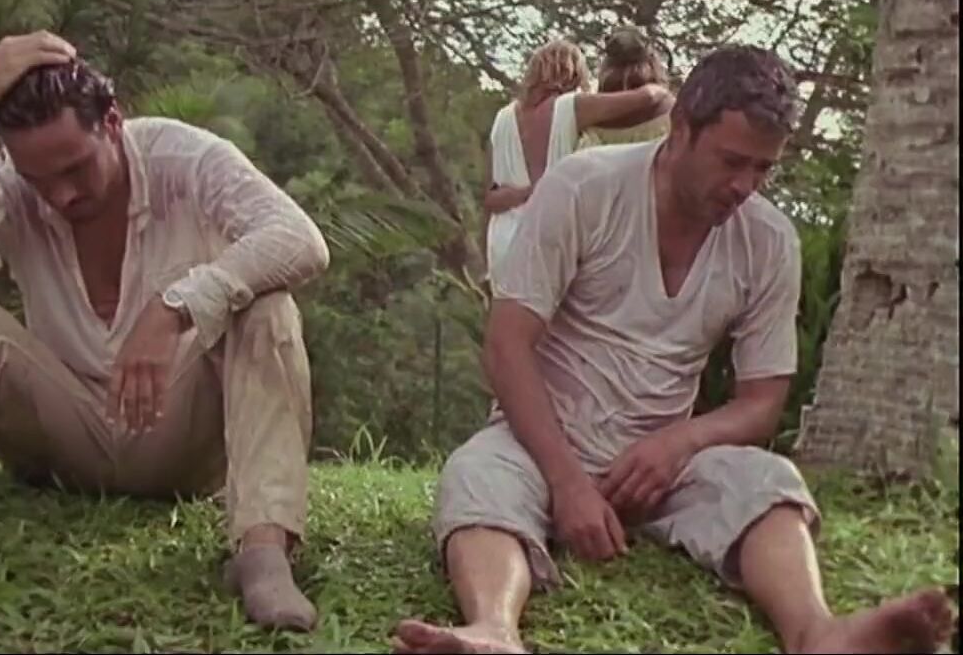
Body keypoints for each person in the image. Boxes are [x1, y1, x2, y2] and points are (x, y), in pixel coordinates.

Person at [396, 45, 956, 654]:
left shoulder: (768, 240)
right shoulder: (584, 188)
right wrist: (567, 481)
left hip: (657, 470)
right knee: (476, 473)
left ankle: (819, 635)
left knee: (768, 478)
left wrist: (679, 443)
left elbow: (762, 401)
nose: (744, 186)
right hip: (539, 447)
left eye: (763, 169)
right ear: (681, 128)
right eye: (732, 161)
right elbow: (507, 346)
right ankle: (494, 630)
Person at [0, 30, 329, 633]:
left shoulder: (183, 159)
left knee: (270, 311)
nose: (61, 194)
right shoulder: (10, 185)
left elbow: (300, 240)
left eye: (76, 168)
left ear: (112, 121)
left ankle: (263, 551)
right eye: (40, 179)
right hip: (62, 437)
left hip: (182, 439)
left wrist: (177, 307)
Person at [482, 37, 672, 282]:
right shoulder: (571, 107)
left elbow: (490, 198)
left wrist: (522, 193)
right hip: (551, 239)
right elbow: (646, 98)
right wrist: (661, 88)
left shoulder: (502, 118)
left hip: (504, 244)